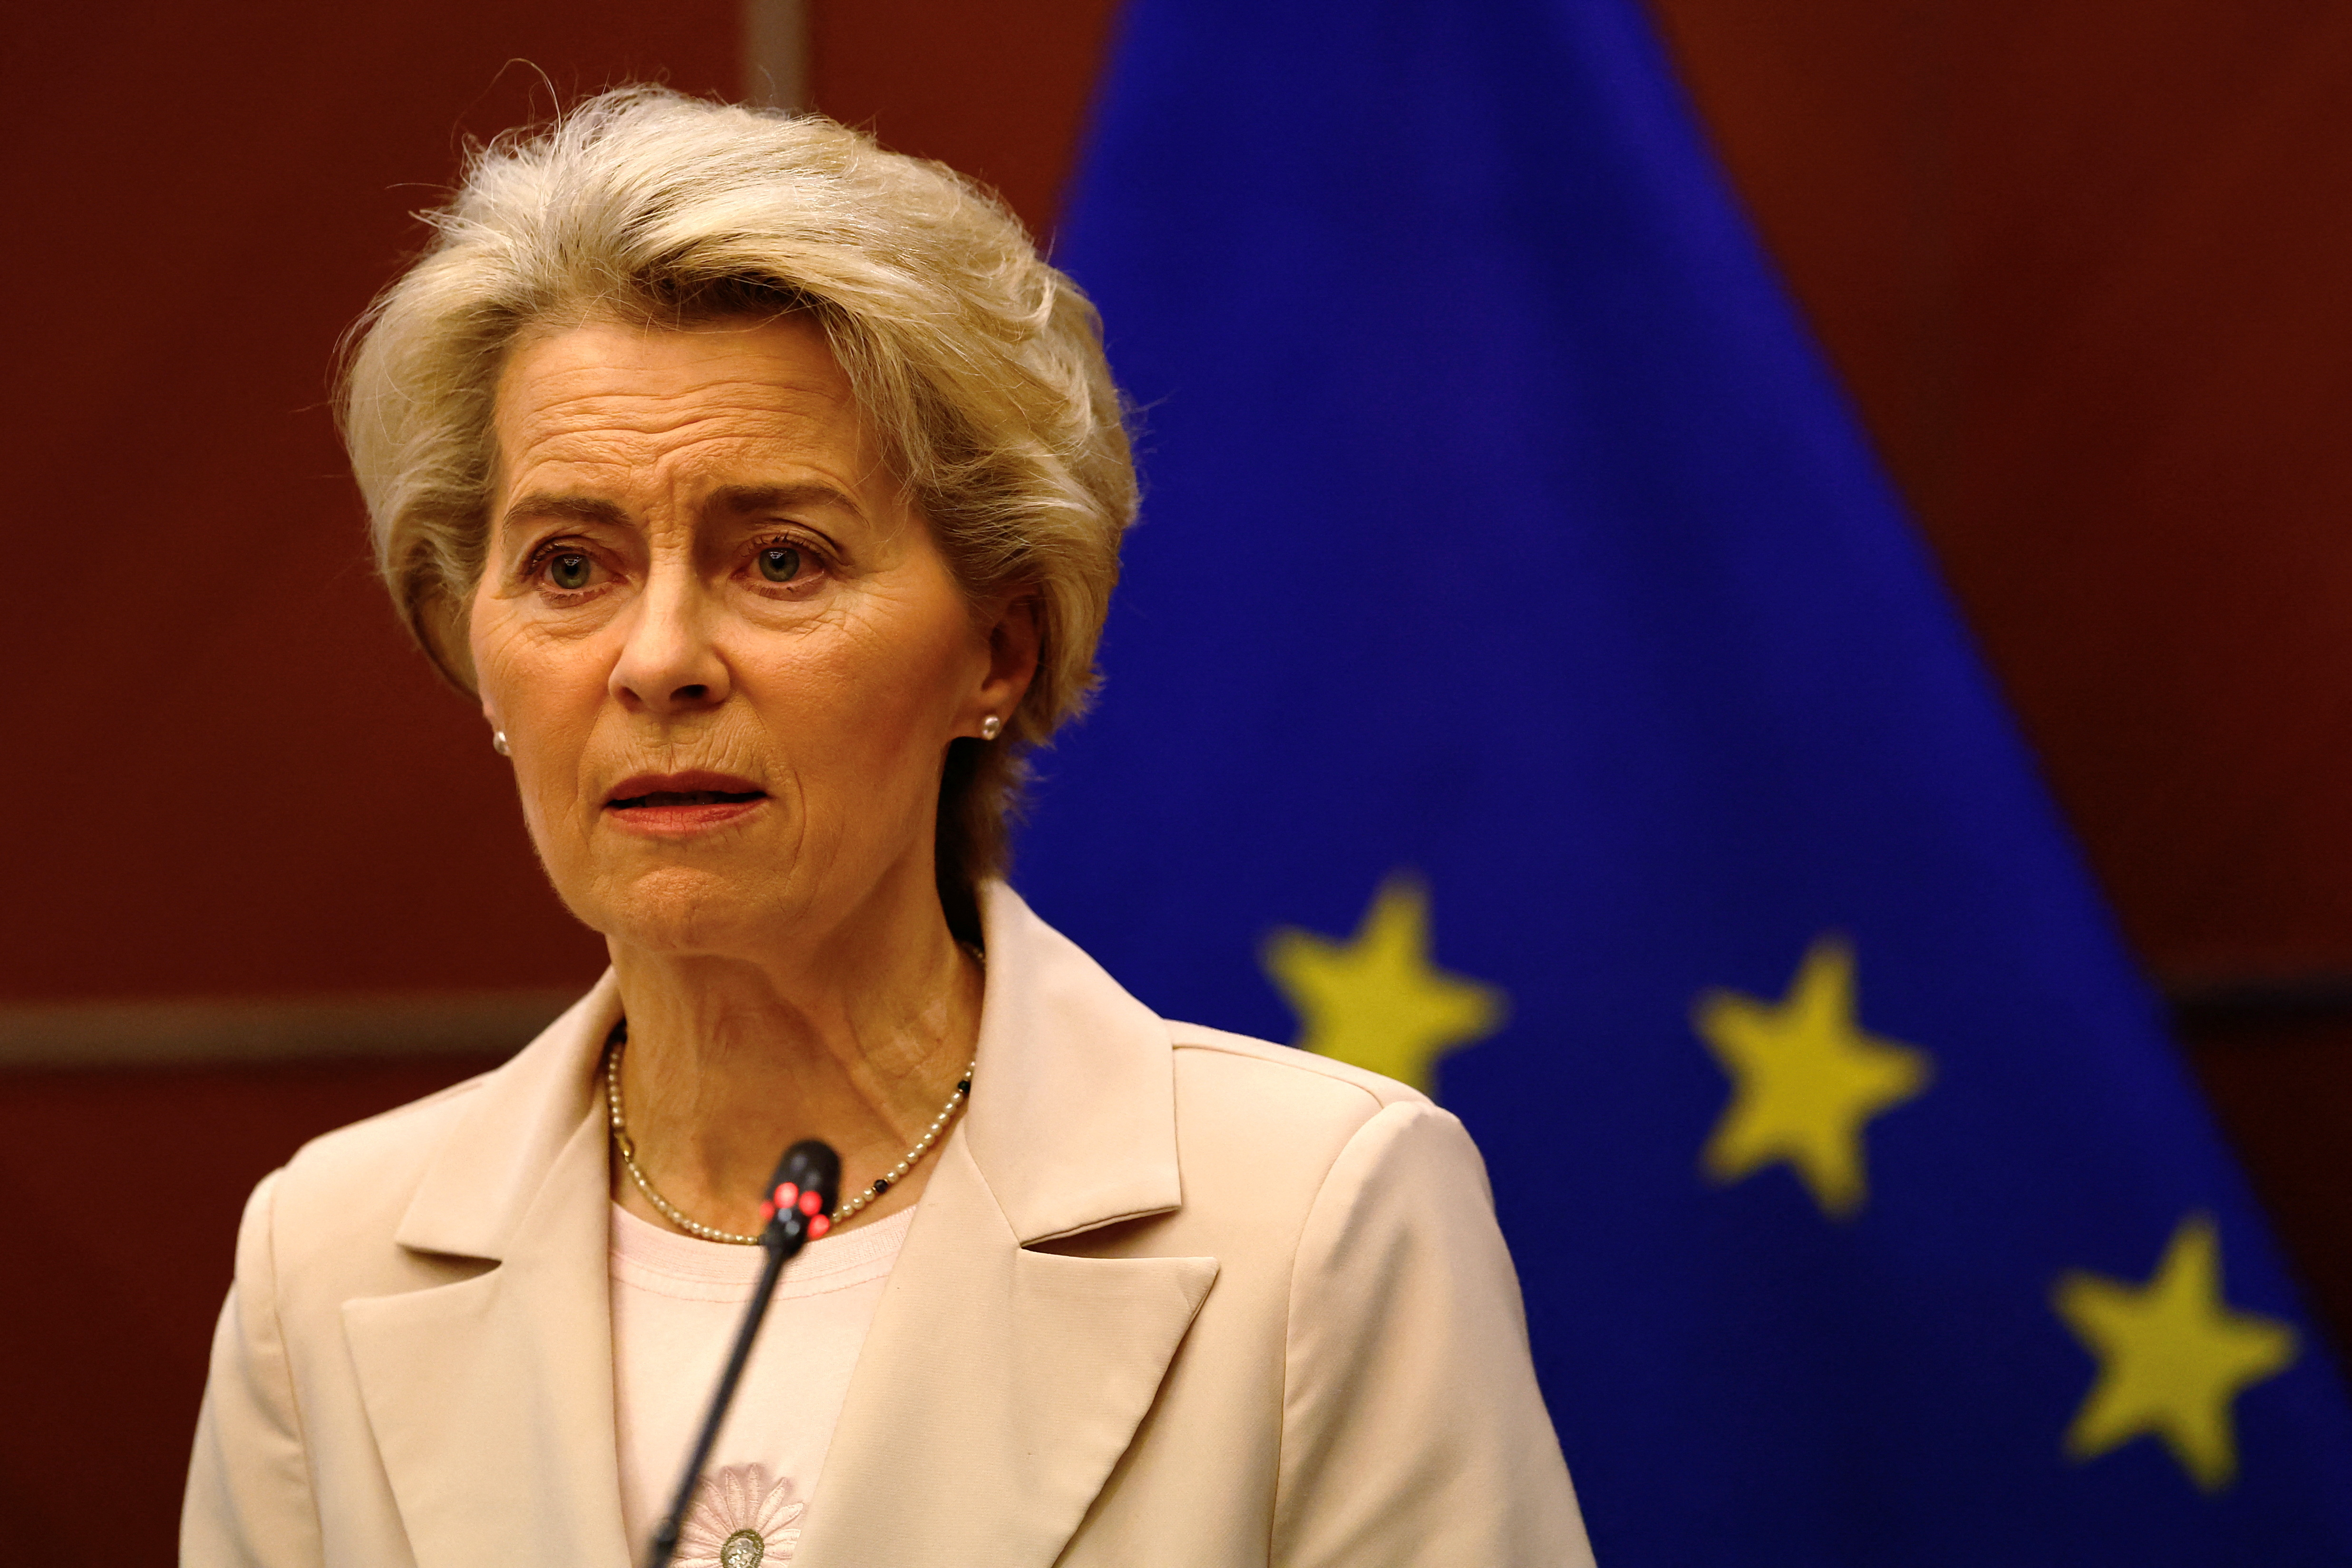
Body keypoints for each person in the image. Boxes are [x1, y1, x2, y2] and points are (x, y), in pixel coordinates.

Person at [182, 87, 1592, 1568]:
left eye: (781, 559)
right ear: (474, 647)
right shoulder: (324, 1255)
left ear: (998, 649)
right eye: (569, 566)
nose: (657, 659)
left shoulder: (1313, 1217)